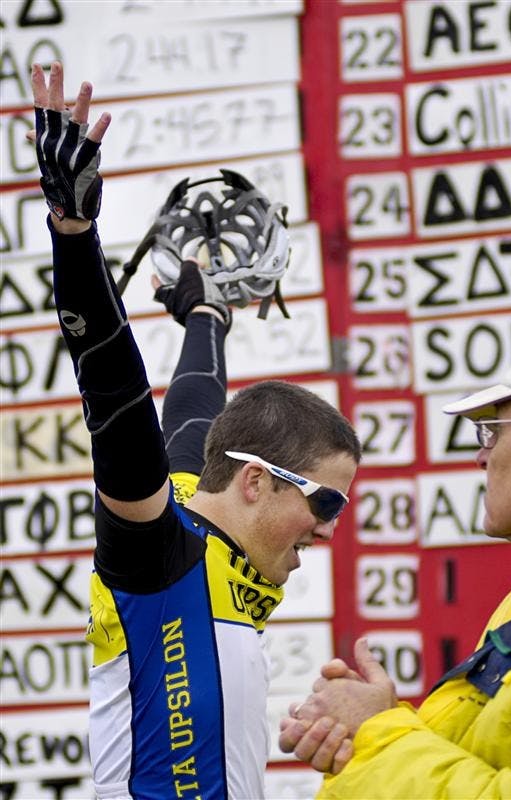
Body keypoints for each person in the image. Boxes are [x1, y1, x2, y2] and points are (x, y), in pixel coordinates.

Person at [31, 61, 361, 800]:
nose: (329, 528)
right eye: (324, 503)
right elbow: (112, 390)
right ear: (255, 480)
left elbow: (193, 407)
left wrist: (206, 315)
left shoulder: (209, 508)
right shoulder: (157, 551)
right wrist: (74, 232)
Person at [279, 323, 511, 799]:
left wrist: (376, 733)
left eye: (492, 431)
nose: (480, 455)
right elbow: (486, 759)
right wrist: (372, 725)